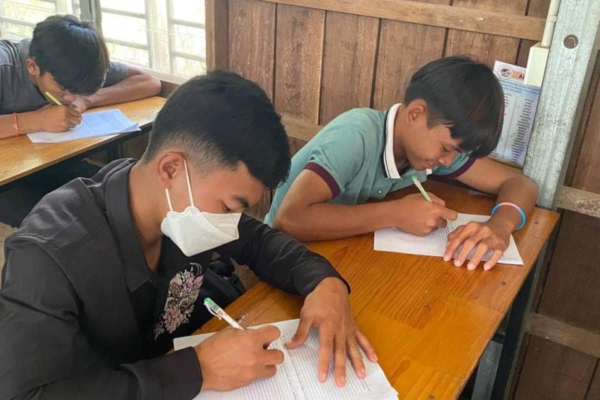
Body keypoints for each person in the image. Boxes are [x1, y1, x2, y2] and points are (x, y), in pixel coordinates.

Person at [0, 70, 376, 399]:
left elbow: (260, 241)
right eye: (231, 207)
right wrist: (197, 370)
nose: (233, 221)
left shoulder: (180, 204)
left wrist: (325, 282)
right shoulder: (48, 255)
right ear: (170, 169)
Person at [265, 56, 538, 271]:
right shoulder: (357, 135)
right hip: (283, 256)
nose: (448, 161)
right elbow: (289, 219)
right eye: (446, 149)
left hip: (338, 252)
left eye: (457, 153)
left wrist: (500, 226)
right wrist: (396, 214)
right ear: (416, 114)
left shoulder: (431, 149)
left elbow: (519, 183)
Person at [0, 15, 162, 227]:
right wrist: (35, 120)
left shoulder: (77, 63)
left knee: (120, 198)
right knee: (61, 225)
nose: (69, 98)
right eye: (64, 90)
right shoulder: (5, 68)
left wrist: (87, 99)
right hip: (7, 179)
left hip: (45, 161)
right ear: (32, 66)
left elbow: (149, 82)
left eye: (78, 90)